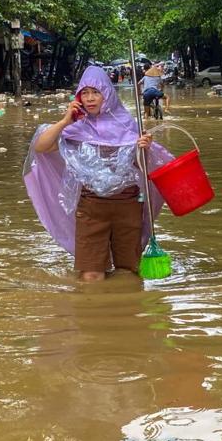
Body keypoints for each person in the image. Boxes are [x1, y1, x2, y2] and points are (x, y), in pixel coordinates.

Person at [24, 66, 171, 282]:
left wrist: (143, 148)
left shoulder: (129, 126)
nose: (90, 98)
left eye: (96, 92)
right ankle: (90, 312)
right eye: (85, 93)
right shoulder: (76, 129)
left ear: (107, 95)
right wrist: (66, 121)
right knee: (91, 275)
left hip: (128, 205)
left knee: (127, 273)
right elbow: (41, 147)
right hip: (91, 207)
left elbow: (140, 168)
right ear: (78, 97)